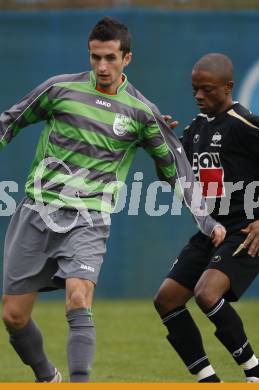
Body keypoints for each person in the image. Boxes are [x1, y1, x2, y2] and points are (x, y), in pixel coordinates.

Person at [0, 19, 225, 383]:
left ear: (127, 58)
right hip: (36, 212)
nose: (102, 66)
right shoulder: (60, 90)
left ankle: (79, 384)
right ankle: (47, 377)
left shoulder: (141, 112)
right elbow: (9, 122)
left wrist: (206, 219)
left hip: (89, 217)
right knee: (14, 317)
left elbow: (175, 167)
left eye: (110, 58)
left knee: (78, 297)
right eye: (95, 57)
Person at [154, 52, 259, 383]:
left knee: (207, 294)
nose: (199, 96)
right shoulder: (196, 129)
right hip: (212, 230)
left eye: (208, 89)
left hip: (245, 230)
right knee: (167, 300)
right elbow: (172, 176)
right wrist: (162, 146)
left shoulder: (246, 126)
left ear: (228, 87)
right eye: (195, 89)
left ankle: (254, 370)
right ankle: (208, 380)